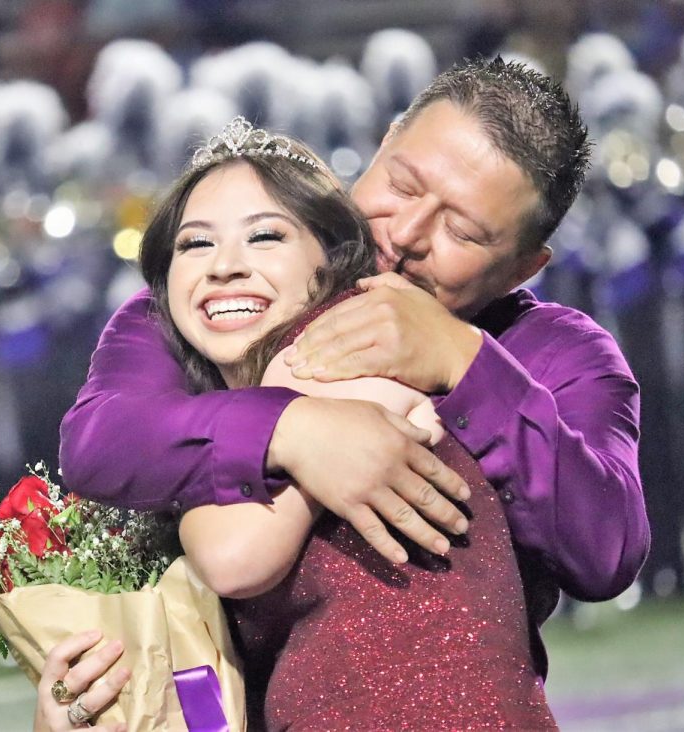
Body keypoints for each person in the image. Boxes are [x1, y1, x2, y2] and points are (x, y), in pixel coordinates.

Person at [60, 59, 648, 654]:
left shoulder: (556, 354)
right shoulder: (225, 300)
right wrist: (292, 428)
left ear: (524, 268)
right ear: (386, 138)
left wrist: (466, 364)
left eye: (463, 233)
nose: (408, 232)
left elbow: (608, 551)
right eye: (402, 185)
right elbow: (97, 440)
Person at [38, 121, 556, 729]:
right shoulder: (222, 372)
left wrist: (290, 410)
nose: (225, 266)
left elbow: (231, 558)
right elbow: (96, 441)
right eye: (195, 244)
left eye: (265, 236)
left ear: (332, 260)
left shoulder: (341, 349)